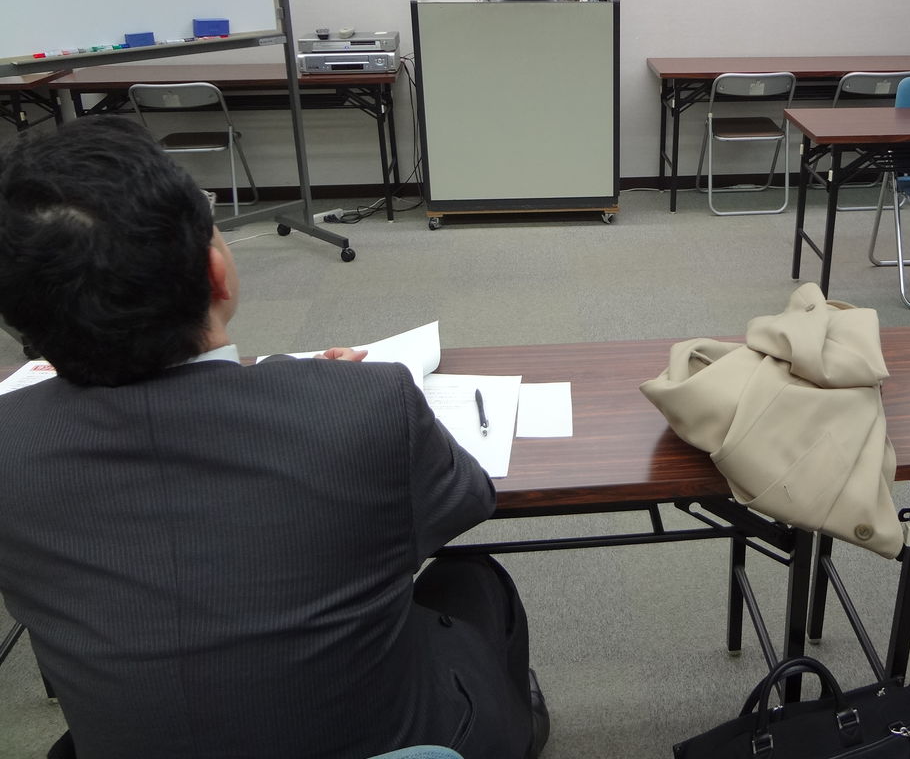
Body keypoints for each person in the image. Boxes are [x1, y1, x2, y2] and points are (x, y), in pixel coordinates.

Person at [0, 117, 548, 759]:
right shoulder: (368, 404)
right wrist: (326, 394)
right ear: (216, 273)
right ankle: (520, 730)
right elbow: (465, 501)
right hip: (386, 741)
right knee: (473, 581)